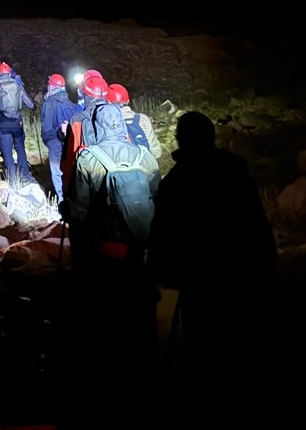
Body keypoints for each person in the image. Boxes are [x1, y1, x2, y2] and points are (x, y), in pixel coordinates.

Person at [146, 111, 277, 377]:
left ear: (180, 139)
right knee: (241, 333)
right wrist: (266, 257)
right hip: (240, 267)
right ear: (211, 137)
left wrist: (159, 271)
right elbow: (255, 219)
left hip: (198, 276)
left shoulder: (175, 182)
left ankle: (207, 388)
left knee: (203, 340)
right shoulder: (235, 170)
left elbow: (163, 233)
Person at [64, 78, 162, 368]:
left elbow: (79, 210)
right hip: (140, 239)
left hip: (105, 240)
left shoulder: (89, 158)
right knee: (139, 295)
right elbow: (156, 195)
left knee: (106, 298)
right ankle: (146, 354)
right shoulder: (145, 157)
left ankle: (106, 356)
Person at [0, 61, 36, 185]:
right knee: (20, 149)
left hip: (2, 124)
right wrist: (34, 107)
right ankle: (25, 175)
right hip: (17, 123)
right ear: (9, 73)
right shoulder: (17, 84)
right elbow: (29, 102)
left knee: (7, 152)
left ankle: (12, 179)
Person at [40, 73, 77, 202]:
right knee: (67, 168)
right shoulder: (70, 103)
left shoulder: (49, 103)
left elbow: (46, 127)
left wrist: (47, 140)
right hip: (68, 141)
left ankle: (61, 200)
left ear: (52, 86)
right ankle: (71, 196)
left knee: (56, 171)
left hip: (54, 141)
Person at [107, 83, 163, 159]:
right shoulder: (143, 118)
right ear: (128, 101)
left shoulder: (109, 123)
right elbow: (157, 152)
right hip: (147, 164)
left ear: (108, 103)